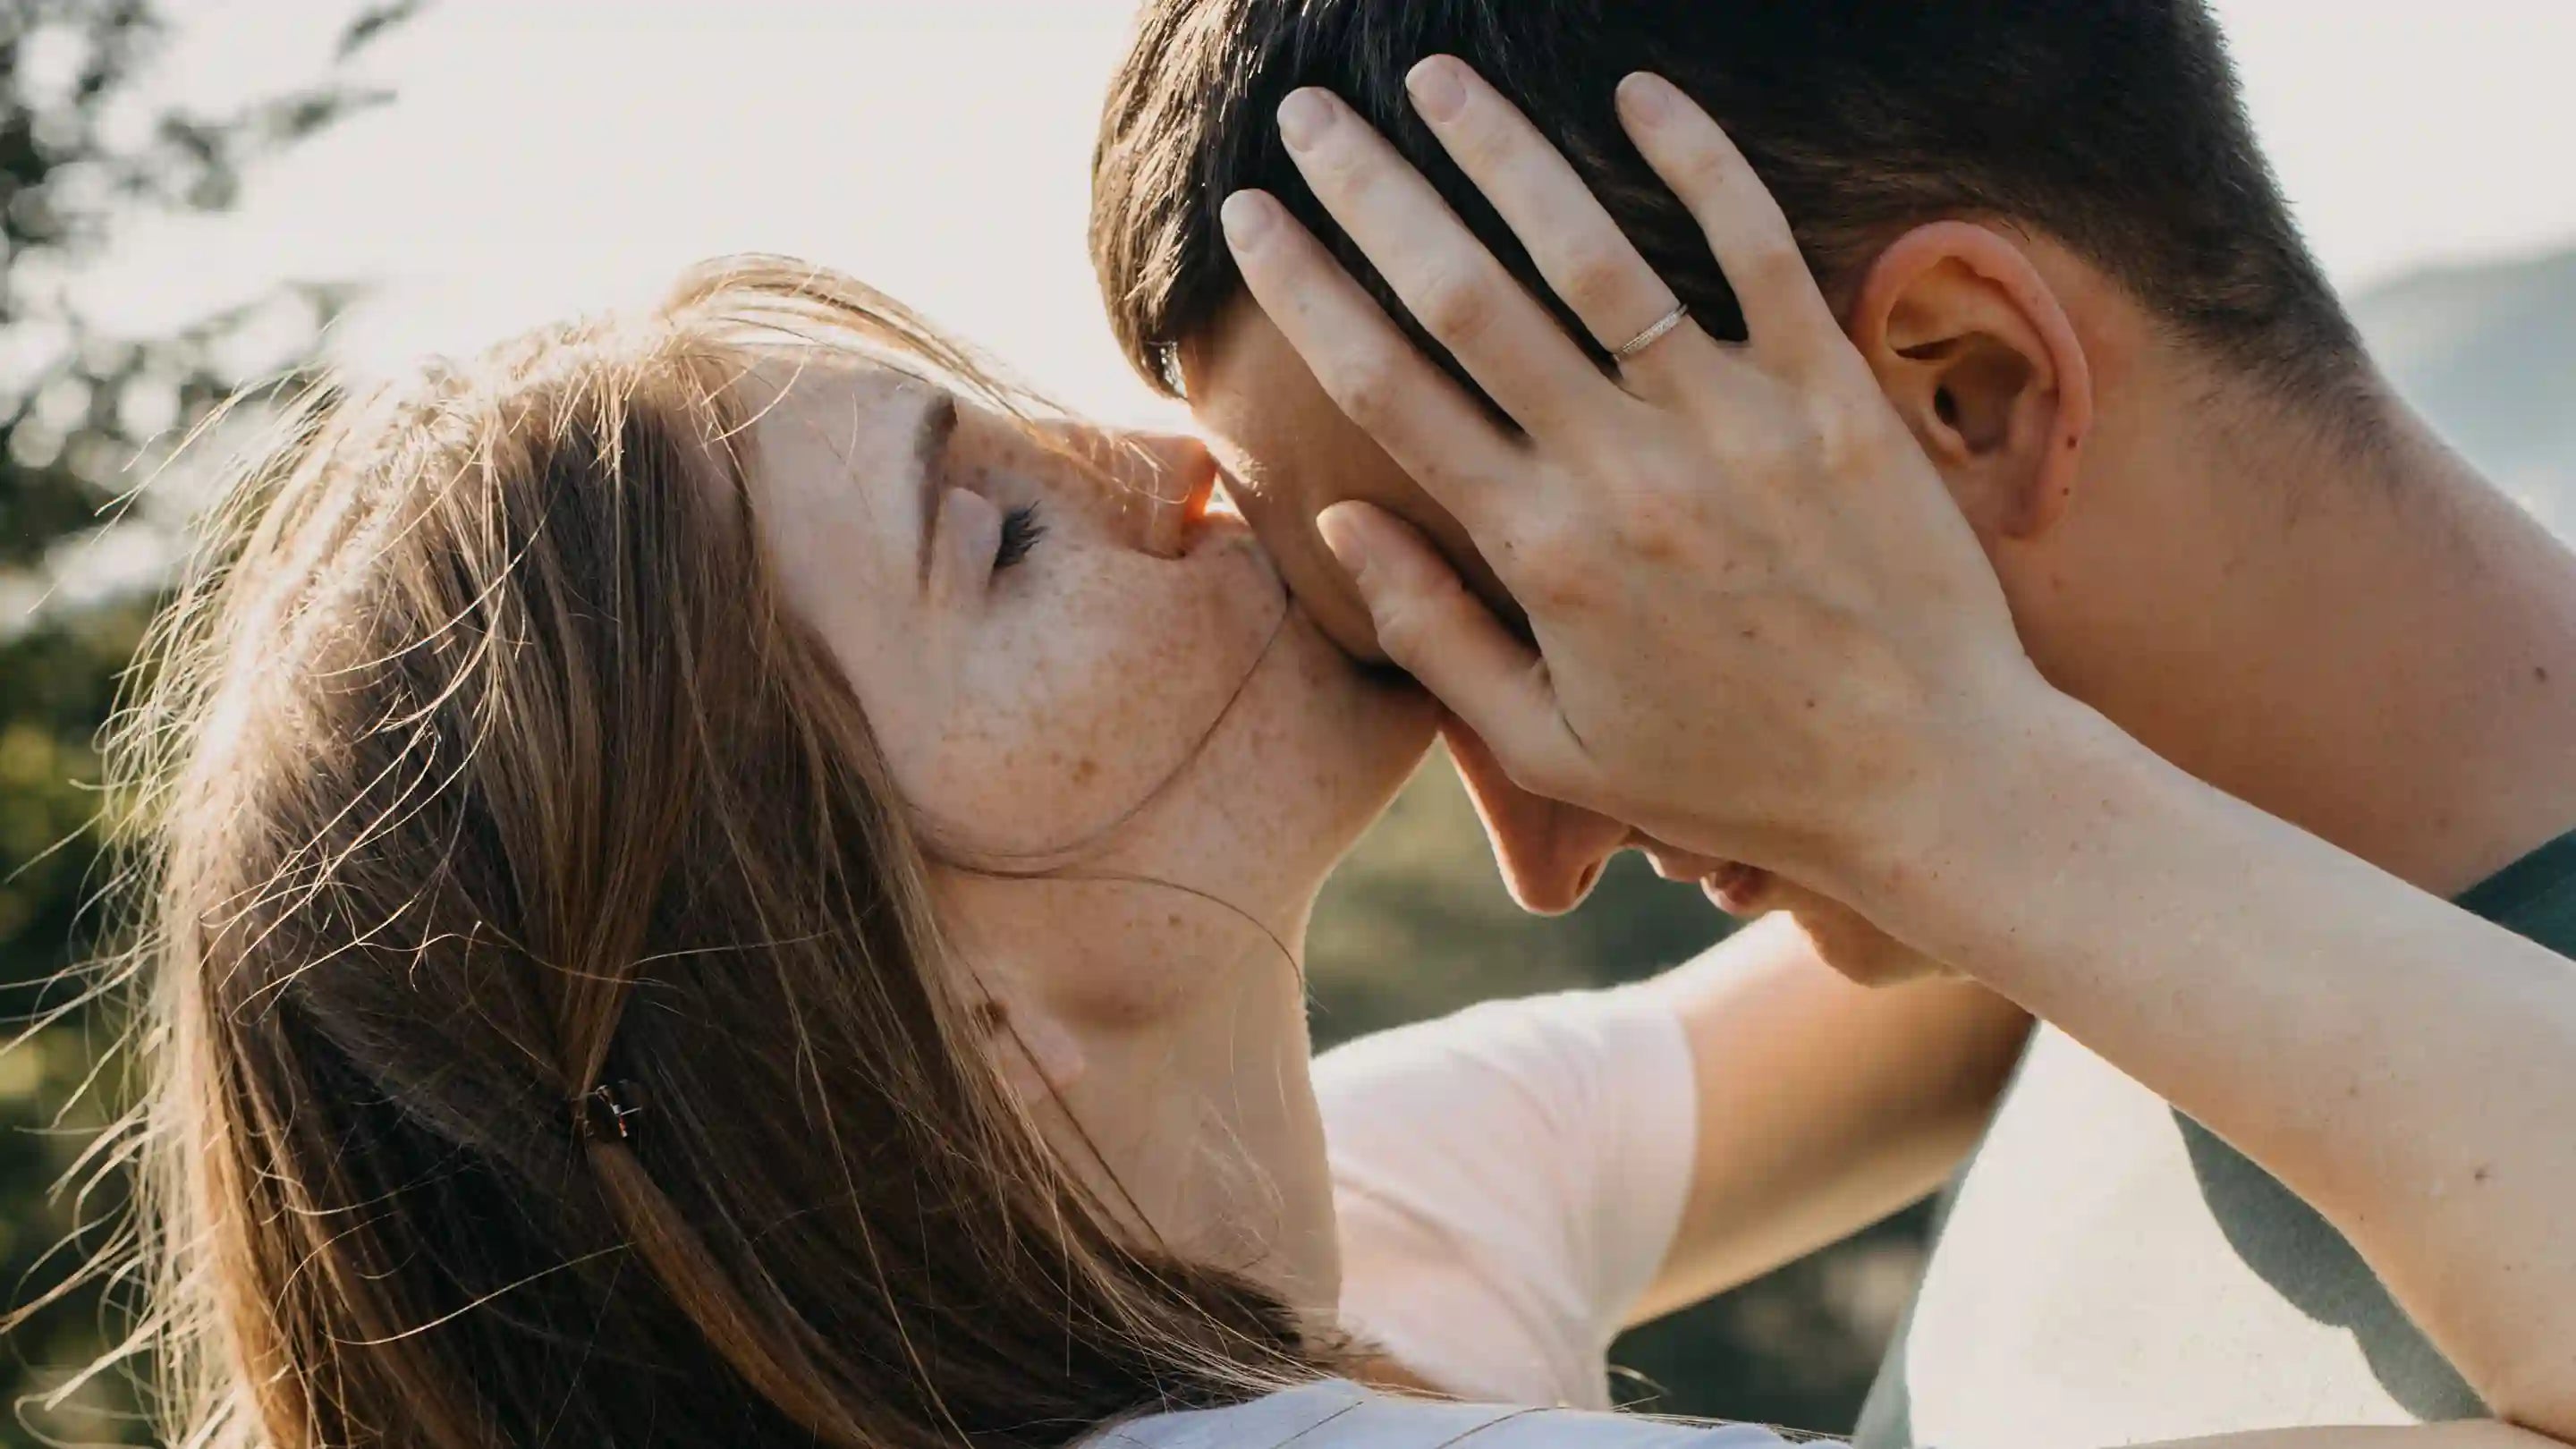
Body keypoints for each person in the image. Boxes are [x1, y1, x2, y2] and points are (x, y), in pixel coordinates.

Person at [1089, 4, 2576, 1446]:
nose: (1541, 857)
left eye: (1555, 607)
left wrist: (1955, 796)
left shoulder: (2032, 862)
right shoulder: (2051, 946)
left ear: (1972, 390)